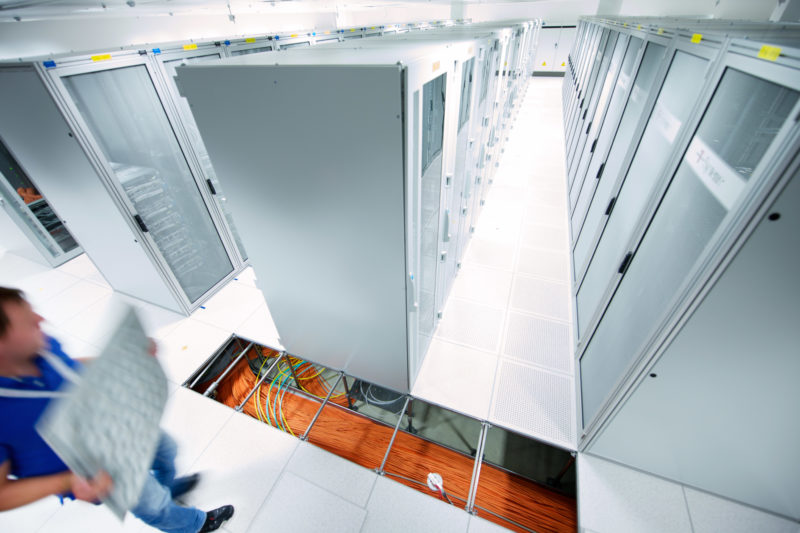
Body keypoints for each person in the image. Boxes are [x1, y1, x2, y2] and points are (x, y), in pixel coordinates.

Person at [0, 287, 234, 532]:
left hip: (115, 423)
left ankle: (168, 487)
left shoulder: (40, 348)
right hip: (96, 470)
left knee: (167, 451)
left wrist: (128, 357)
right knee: (155, 505)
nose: (41, 320)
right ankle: (195, 525)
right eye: (28, 321)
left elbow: (70, 367)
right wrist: (67, 481)